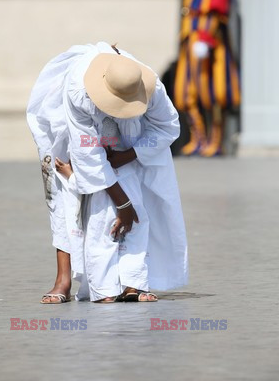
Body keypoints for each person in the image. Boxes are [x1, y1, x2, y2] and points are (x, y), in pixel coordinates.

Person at [27, 42, 188, 303]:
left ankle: (132, 282)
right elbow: (87, 156)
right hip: (67, 129)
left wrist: (127, 156)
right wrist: (122, 203)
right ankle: (68, 279)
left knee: (139, 218)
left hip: (126, 143)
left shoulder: (150, 87)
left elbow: (167, 127)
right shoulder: (77, 91)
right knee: (67, 198)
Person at [171, 0, 240, 156]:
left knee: (212, 90)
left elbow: (214, 3)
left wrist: (204, 37)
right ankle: (199, 138)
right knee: (187, 90)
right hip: (193, 37)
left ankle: (214, 140)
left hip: (205, 39)